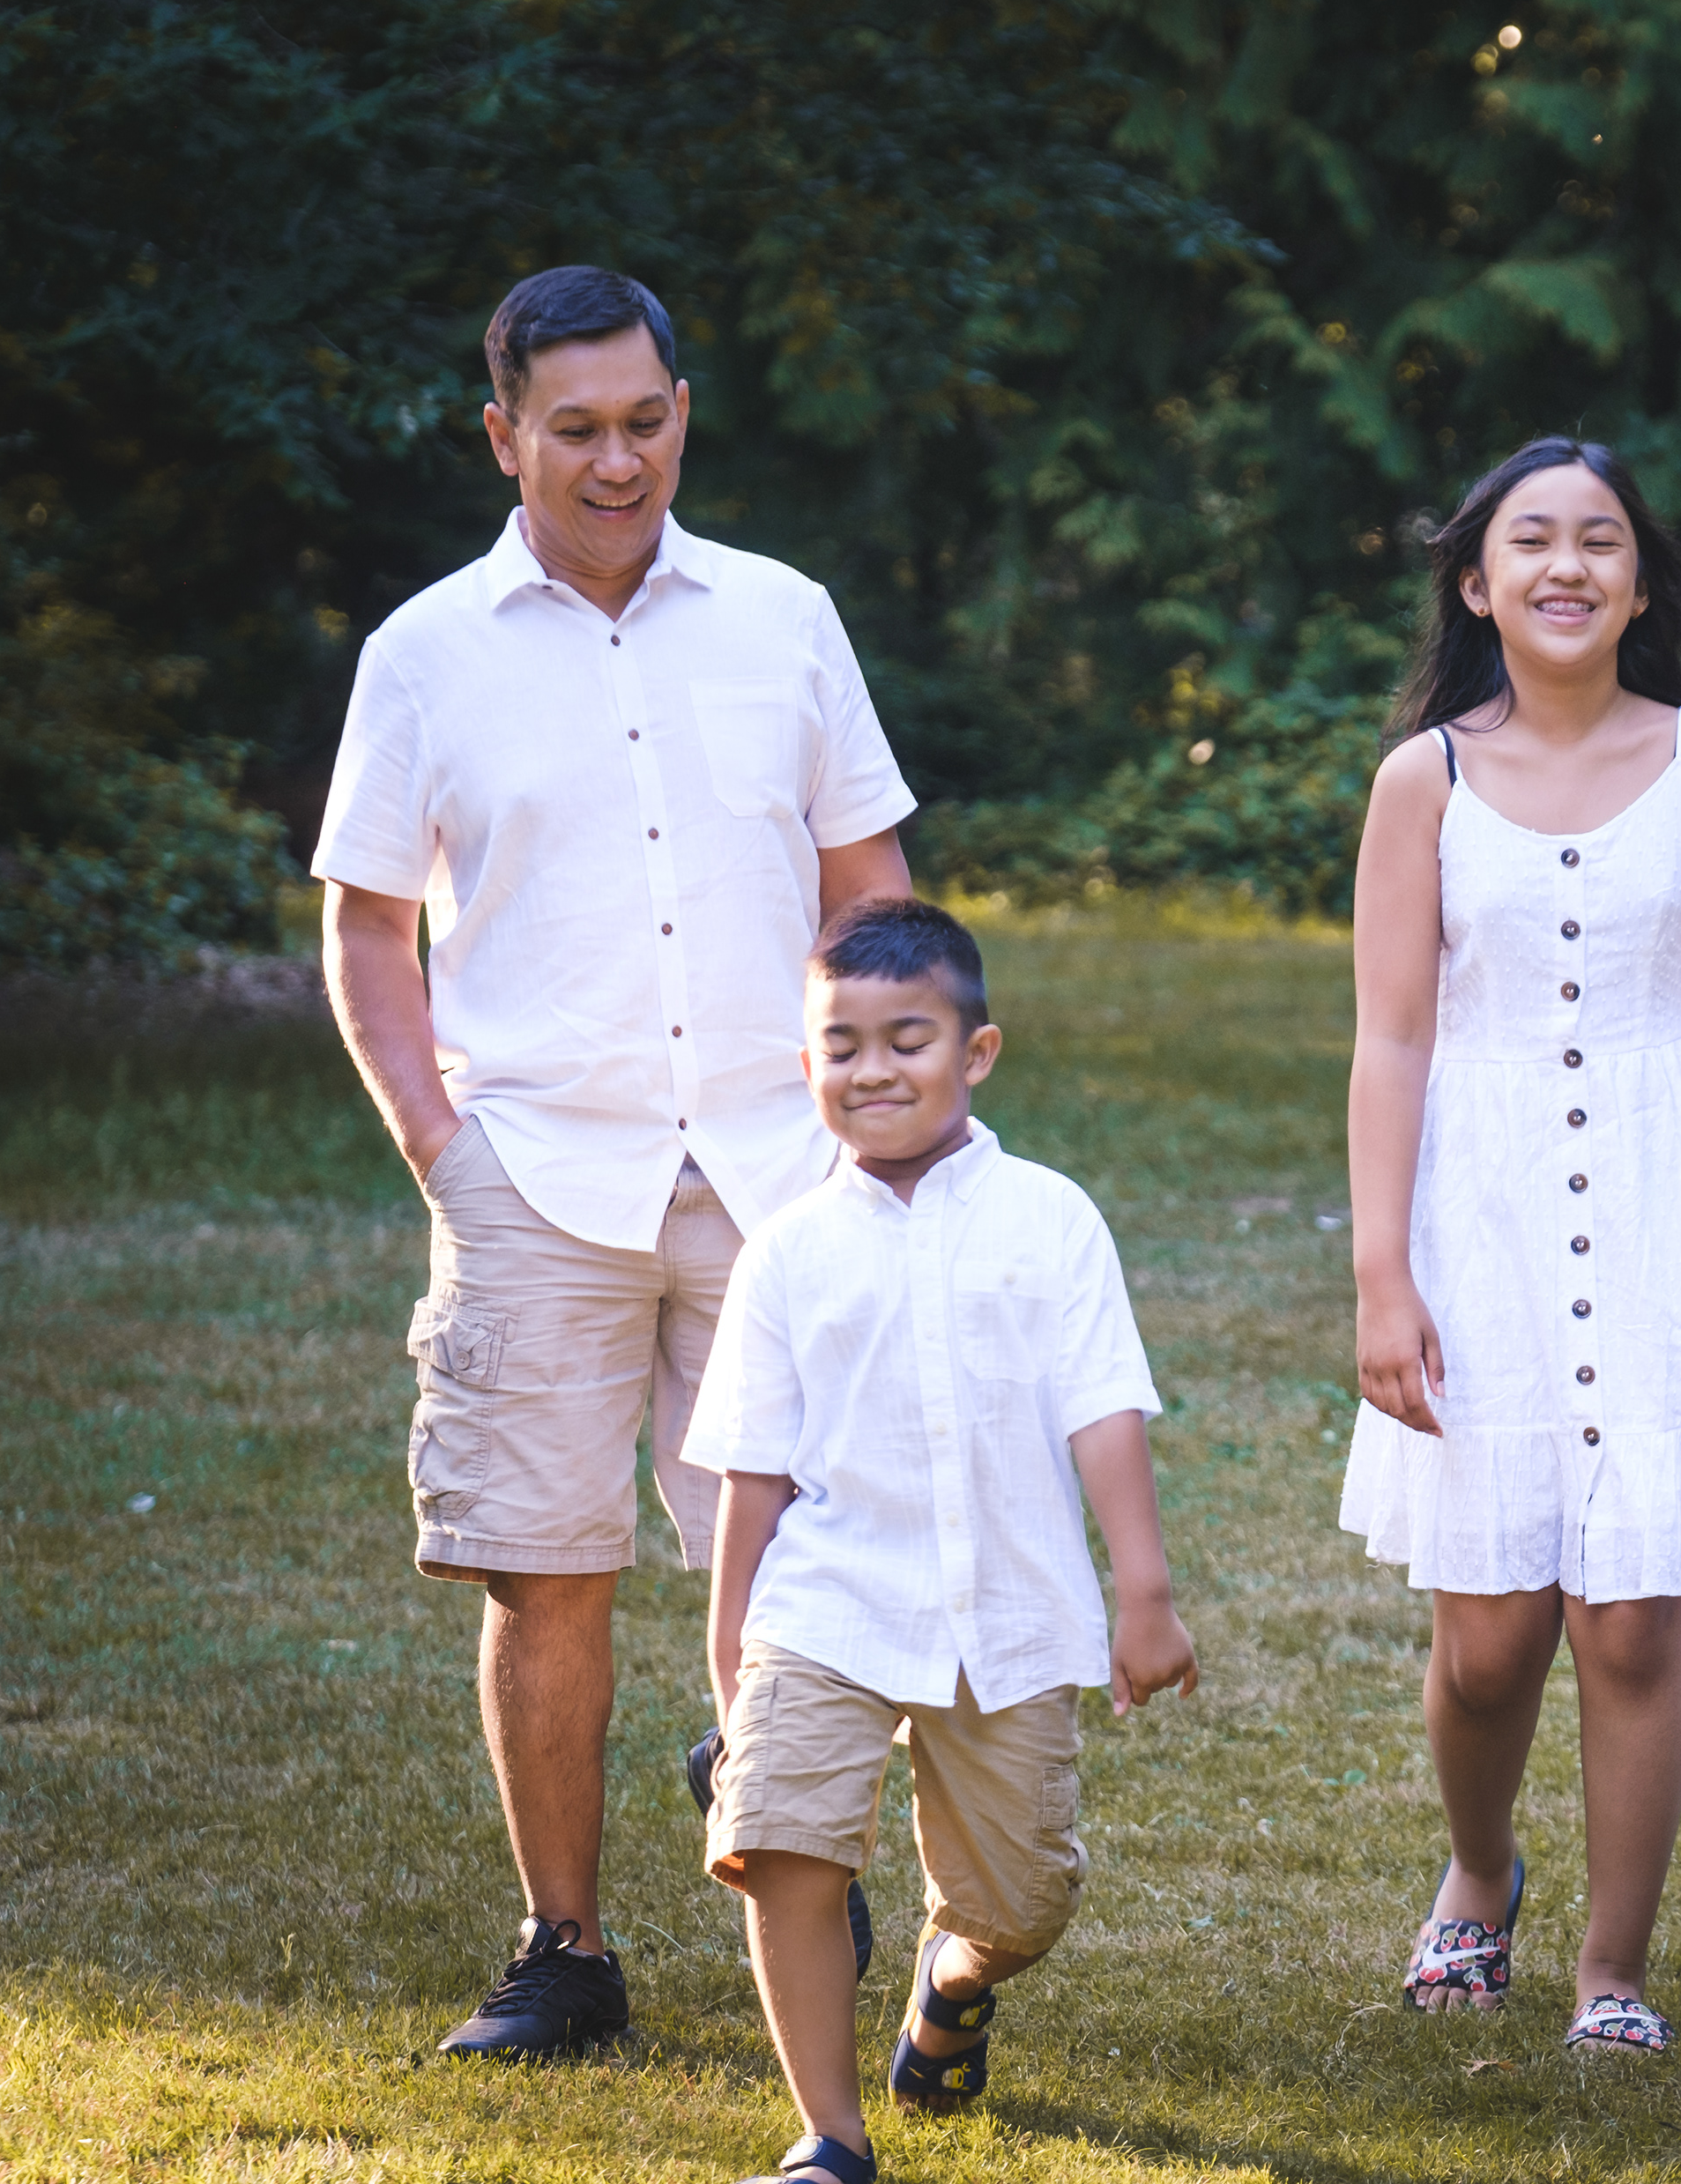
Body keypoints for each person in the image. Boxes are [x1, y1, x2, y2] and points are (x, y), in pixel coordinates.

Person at [310, 264, 918, 2056]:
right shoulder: (424, 653)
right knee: (545, 1570)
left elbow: (868, 885)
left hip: (775, 1167)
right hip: (533, 1173)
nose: (617, 460)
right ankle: (564, 1952)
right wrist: (442, 1145)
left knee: (794, 1552)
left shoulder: (786, 618)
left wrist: (872, 1117)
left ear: (682, 411)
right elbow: (366, 928)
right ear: (502, 435)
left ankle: (781, 1817)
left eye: (646, 421)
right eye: (574, 429)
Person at [1338, 436, 1681, 2055]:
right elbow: (1391, 1038)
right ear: (1478, 585)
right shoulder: (1423, 782)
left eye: (1600, 539)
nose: (1567, 566)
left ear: (1640, 581)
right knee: (1488, 1642)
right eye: (1532, 540)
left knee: (1629, 1618)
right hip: (1478, 1219)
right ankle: (1481, 1870)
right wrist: (1383, 1273)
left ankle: (1614, 1972)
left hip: (1660, 1200)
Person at [681, 899, 1194, 2184]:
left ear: (977, 1052)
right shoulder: (787, 1254)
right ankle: (830, 2139)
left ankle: (951, 1982)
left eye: (906, 1039)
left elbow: (1104, 1412)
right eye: (840, 1045)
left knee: (1023, 1905)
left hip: (1009, 1611)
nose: (872, 1069)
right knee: (784, 1847)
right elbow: (755, 1468)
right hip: (827, 1604)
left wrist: (1144, 1596)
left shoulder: (1051, 1219)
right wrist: (731, 1647)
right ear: (807, 1065)